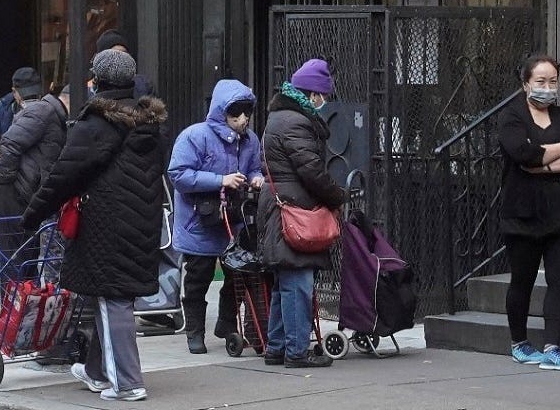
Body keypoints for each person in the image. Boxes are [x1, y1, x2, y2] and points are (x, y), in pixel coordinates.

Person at [22, 50, 169, 402]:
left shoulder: (97, 124)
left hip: (106, 220)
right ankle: (98, 371)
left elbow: (63, 176)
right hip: (141, 218)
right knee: (111, 294)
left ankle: (128, 382)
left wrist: (32, 214)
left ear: (98, 82)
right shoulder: (150, 123)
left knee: (112, 298)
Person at [497, 55, 560, 372]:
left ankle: (554, 347)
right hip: (522, 212)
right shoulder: (512, 116)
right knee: (521, 280)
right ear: (525, 84)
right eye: (540, 81)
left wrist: (544, 162)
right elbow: (522, 154)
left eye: (553, 81)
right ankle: (520, 343)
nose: (548, 88)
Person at [258, 59, 348, 369]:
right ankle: (296, 351)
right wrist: (337, 196)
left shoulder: (279, 117)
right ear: (312, 94)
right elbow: (311, 171)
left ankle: (277, 347)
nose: (324, 102)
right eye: (323, 95)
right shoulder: (295, 122)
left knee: (286, 283)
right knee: (298, 283)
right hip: (295, 210)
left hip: (281, 205)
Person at [167, 79, 264, 354]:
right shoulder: (195, 136)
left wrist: (256, 179)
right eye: (236, 115)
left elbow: (256, 167)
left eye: (247, 114)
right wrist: (220, 180)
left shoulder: (250, 140)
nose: (243, 121)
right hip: (200, 222)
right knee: (198, 278)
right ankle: (194, 332)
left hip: (233, 222)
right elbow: (178, 174)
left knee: (239, 274)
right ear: (222, 112)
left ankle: (225, 323)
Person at [0, 69, 68, 220]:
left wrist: (7, 186)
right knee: (15, 239)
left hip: (24, 191)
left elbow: (11, 143)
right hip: (22, 191)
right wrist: (7, 186)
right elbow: (11, 143)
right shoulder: (45, 110)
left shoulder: (44, 111)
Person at [91, 30, 155, 98]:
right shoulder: (89, 89)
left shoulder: (143, 85)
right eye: (114, 55)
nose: (119, 60)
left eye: (124, 54)